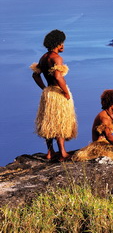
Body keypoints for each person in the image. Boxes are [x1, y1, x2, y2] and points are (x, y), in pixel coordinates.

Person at [31, 29, 78, 161]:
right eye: (62, 43)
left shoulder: (44, 57)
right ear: (57, 43)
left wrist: (44, 88)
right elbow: (58, 76)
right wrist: (65, 92)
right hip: (57, 93)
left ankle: (50, 152)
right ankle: (62, 152)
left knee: (48, 123)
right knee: (59, 122)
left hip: (48, 93)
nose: (63, 46)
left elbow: (35, 75)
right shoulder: (56, 58)